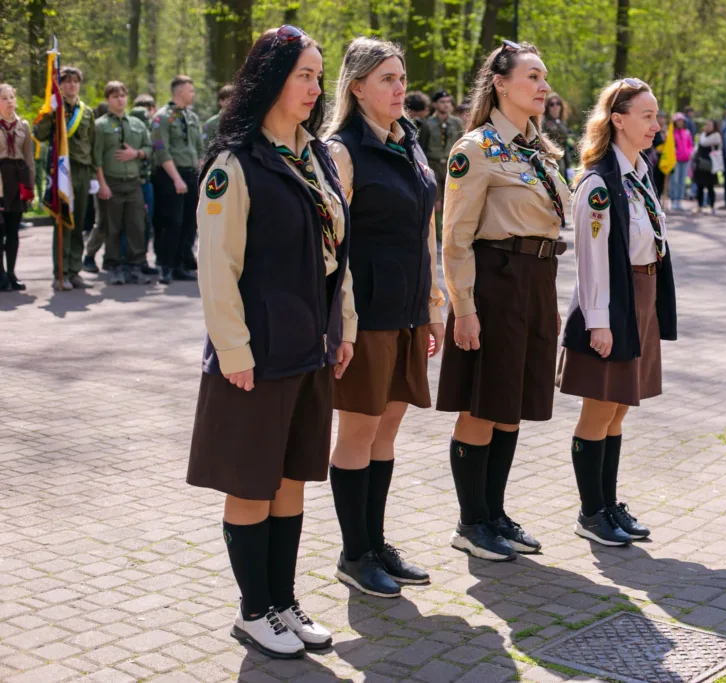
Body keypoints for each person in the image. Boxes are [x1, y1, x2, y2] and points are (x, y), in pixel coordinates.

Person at [186, 24, 351, 659]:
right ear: (272, 78)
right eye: (304, 75)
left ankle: (282, 602)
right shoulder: (236, 162)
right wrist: (234, 353)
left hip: (310, 348)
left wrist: (343, 327)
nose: (315, 87)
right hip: (256, 356)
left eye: (317, 75)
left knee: (290, 480)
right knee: (252, 483)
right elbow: (216, 268)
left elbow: (339, 253)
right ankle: (254, 610)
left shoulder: (313, 157)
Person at [437, 40, 570, 562]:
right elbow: (455, 237)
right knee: (482, 402)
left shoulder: (536, 149)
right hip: (494, 282)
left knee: (512, 404)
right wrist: (463, 307)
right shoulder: (475, 149)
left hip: (537, 279)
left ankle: (494, 513)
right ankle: (471, 522)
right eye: (533, 77)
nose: (543, 87)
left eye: (543, 78)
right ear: (501, 83)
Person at [323, 37, 444, 597]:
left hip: (410, 309)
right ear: (357, 88)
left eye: (401, 77)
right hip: (366, 312)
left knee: (388, 427)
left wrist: (435, 306)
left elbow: (427, 232)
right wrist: (341, 322)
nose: (400, 88)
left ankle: (375, 540)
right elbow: (333, 246)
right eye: (387, 79)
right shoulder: (342, 150)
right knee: (359, 428)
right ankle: (355, 553)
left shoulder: (410, 142)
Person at [560, 77, 675, 545]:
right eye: (646, 116)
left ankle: (609, 503)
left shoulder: (639, 171)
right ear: (619, 120)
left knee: (620, 407)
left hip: (641, 298)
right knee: (599, 407)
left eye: (656, 115)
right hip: (611, 302)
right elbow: (591, 260)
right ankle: (592, 513)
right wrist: (599, 321)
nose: (655, 124)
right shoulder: (600, 182)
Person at [33, 65, 95, 291]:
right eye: (66, 81)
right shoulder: (54, 109)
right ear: (60, 85)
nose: (71, 85)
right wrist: (49, 112)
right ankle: (60, 272)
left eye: (75, 81)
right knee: (63, 223)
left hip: (82, 171)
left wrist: (95, 174)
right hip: (61, 171)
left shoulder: (86, 111)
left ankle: (75, 270)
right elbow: (38, 134)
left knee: (78, 222)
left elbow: (92, 144)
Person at [91, 81, 153, 284]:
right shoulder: (99, 126)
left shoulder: (137, 124)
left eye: (123, 96)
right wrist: (102, 185)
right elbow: (96, 158)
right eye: (115, 96)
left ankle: (136, 265)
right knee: (112, 227)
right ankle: (114, 265)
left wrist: (136, 153)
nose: (120, 100)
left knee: (137, 224)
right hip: (112, 182)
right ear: (108, 99)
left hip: (133, 182)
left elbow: (150, 148)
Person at [152, 74, 203, 285]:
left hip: (191, 174)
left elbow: (199, 149)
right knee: (172, 222)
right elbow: (161, 149)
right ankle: (166, 265)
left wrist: (199, 175)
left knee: (190, 223)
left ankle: (182, 263)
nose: (193, 94)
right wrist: (176, 179)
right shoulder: (161, 117)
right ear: (180, 91)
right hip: (171, 175)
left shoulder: (192, 117)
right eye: (190, 90)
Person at [0, 83, 34, 291]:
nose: (9, 101)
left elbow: (29, 158)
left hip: (17, 180)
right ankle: (0, 275)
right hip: (0, 183)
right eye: (4, 98)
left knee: (13, 231)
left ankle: (11, 273)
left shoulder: (23, 126)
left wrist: (29, 187)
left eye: (11, 97)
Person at [419, 89, 464, 230]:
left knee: (453, 199)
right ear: (435, 104)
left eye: (448, 102)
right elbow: (422, 147)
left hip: (453, 164)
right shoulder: (428, 124)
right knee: (436, 202)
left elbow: (461, 143)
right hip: (433, 164)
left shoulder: (456, 122)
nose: (446, 105)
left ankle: (449, 231)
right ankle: (438, 234)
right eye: (442, 102)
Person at [129, 94, 159, 274]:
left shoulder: (153, 128)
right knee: (135, 224)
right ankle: (132, 260)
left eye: (150, 108)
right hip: (135, 181)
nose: (148, 113)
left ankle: (142, 260)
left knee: (146, 223)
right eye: (144, 109)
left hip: (148, 180)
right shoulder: (134, 127)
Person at [692, 118, 721, 215]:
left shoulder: (716, 136)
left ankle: (712, 206)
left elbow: (704, 142)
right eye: (706, 124)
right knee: (699, 186)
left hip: (710, 165)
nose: (707, 127)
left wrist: (702, 135)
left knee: (710, 186)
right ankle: (699, 205)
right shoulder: (703, 135)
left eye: (710, 125)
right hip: (700, 164)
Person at [542, 92, 572, 180]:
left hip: (564, 156)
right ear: (547, 107)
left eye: (558, 103)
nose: (555, 106)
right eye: (552, 104)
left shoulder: (562, 122)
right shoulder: (544, 122)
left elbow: (566, 141)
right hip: (552, 158)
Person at [667, 113, 692, 211]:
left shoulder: (687, 132)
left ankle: (679, 200)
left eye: (681, 120)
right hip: (675, 160)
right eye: (678, 120)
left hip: (685, 160)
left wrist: (690, 153)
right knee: (675, 180)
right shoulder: (672, 132)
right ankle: (673, 200)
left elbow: (690, 145)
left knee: (682, 181)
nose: (680, 122)